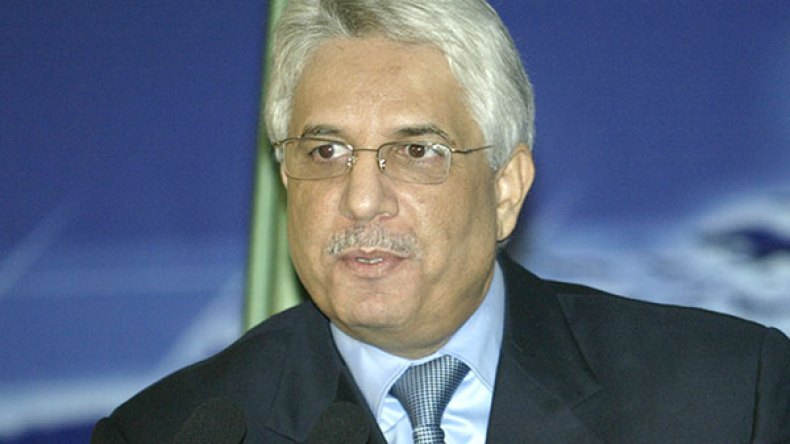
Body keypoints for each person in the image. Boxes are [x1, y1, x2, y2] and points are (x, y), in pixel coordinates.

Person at [92, 0, 790, 442]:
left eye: (416, 151)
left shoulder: (728, 397)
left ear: (505, 189)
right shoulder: (172, 431)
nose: (361, 199)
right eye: (326, 152)